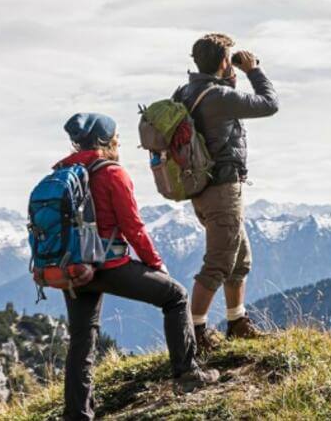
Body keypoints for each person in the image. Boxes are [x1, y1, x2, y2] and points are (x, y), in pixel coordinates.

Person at [58, 113, 218, 421]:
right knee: (176, 296)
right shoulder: (112, 173)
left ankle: (77, 414)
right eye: (116, 137)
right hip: (109, 266)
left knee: (82, 340)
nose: (119, 142)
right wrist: (156, 264)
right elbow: (133, 227)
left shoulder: (65, 172)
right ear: (104, 141)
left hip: (74, 270)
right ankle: (187, 375)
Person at [173, 33, 279, 354]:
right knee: (219, 262)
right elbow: (269, 104)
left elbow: (214, 119)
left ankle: (236, 323)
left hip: (203, 187)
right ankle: (195, 335)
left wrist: (229, 82)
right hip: (222, 188)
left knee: (240, 258)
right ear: (223, 61)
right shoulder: (217, 96)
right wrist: (254, 71)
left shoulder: (186, 91)